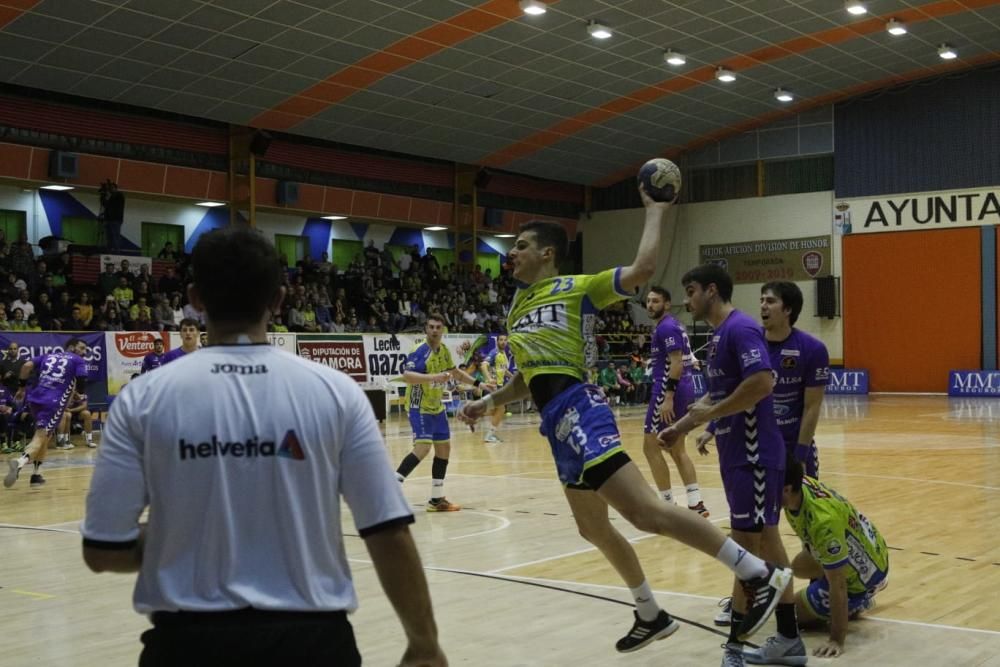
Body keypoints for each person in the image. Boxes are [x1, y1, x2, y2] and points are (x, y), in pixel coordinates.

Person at [79, 226, 446, 667]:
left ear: (194, 299)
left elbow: (103, 551)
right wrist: (424, 643)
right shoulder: (336, 392)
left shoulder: (141, 398)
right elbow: (387, 531)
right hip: (314, 643)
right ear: (279, 300)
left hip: (185, 646)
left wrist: (180, 535)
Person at [457, 196, 791, 658]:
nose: (510, 254)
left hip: (580, 407)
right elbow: (527, 379)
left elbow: (642, 267)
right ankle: (650, 613)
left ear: (547, 252)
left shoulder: (579, 287)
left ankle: (758, 572)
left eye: (521, 245)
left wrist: (655, 208)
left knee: (643, 512)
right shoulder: (516, 309)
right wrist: (488, 401)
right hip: (554, 420)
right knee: (591, 528)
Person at [659, 264, 803, 666]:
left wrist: (710, 417)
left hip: (754, 456)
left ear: (711, 290)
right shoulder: (719, 335)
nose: (686, 299)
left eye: (690, 291)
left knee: (744, 551)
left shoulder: (740, 330)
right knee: (769, 546)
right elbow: (714, 400)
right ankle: (789, 638)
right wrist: (685, 427)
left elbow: (761, 383)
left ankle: (737, 648)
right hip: (739, 454)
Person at [778, 459, 888, 660]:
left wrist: (836, 639)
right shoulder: (799, 487)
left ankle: (860, 599)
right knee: (798, 567)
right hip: (871, 548)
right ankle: (846, 596)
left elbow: (838, 585)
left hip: (861, 576)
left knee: (790, 615)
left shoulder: (823, 523)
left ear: (786, 489)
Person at [395, 314, 483, 512]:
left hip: (437, 405)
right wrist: (435, 376)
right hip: (419, 405)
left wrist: (480, 383)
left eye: (438, 327)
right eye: (431, 327)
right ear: (426, 329)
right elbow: (407, 376)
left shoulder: (444, 351)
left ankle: (436, 500)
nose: (434, 330)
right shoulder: (420, 351)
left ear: (443, 330)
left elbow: (456, 373)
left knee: (444, 449)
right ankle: (390, 488)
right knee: (423, 448)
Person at [642, 286, 709, 517]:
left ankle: (667, 505)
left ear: (667, 304)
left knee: (650, 447)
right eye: (648, 301)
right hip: (683, 387)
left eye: (656, 301)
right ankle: (696, 503)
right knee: (676, 448)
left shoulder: (667, 327)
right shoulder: (673, 326)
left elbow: (677, 362)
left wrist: (668, 397)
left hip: (668, 389)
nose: (651, 305)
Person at [4, 337, 89, 489]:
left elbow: (26, 366)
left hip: (35, 398)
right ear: (71, 347)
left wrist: (22, 388)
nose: (83, 352)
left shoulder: (48, 356)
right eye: (82, 348)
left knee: (46, 435)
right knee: (41, 436)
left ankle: (36, 475)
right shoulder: (77, 360)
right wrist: (81, 393)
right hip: (53, 402)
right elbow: (82, 378)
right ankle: (20, 462)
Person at [479, 334, 515, 444]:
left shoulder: (503, 355)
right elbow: (483, 365)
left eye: (505, 340)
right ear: (497, 341)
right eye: (501, 340)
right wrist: (489, 379)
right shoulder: (494, 352)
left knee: (493, 410)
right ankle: (490, 435)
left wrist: (513, 378)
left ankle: (472, 411)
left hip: (499, 385)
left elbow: (504, 370)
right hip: (493, 386)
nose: (503, 342)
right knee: (501, 409)